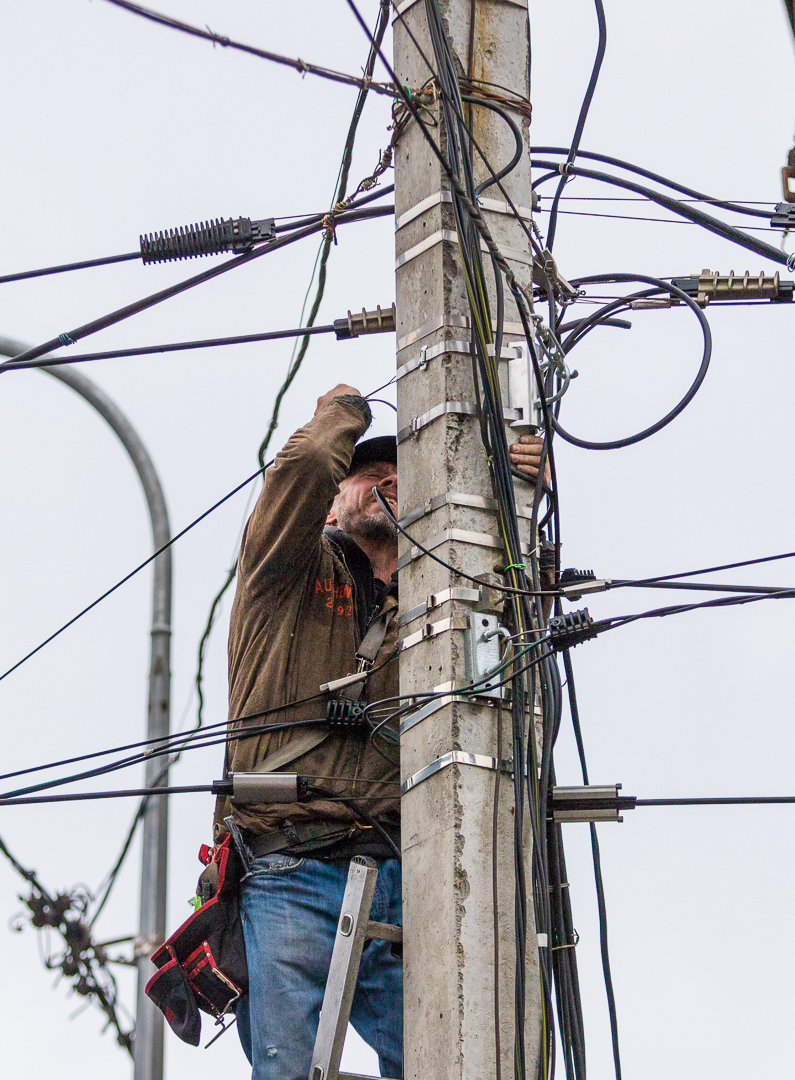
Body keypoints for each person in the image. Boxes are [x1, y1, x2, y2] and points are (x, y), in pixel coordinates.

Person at [221, 383, 541, 1080]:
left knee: (458, 1062)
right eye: (370, 473)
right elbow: (300, 473)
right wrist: (345, 412)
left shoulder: (444, 595)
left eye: (404, 477)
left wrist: (517, 495)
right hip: (289, 864)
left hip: (400, 867)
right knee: (289, 1069)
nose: (389, 482)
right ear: (335, 501)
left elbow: (519, 612)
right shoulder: (289, 573)